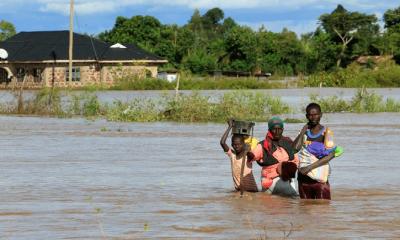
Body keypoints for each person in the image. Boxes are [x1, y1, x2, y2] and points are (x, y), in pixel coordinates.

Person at [293, 103, 342, 200]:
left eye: (316, 114)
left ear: (321, 115)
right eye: (310, 115)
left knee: (322, 210)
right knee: (305, 209)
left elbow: (330, 155)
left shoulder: (326, 133)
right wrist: (303, 131)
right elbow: (295, 149)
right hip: (303, 179)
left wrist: (309, 167)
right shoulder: (304, 132)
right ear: (307, 116)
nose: (313, 117)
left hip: (319, 180)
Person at [248, 116, 298, 197]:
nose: (277, 132)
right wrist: (248, 152)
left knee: (291, 203)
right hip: (269, 180)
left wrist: (287, 169)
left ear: (283, 129)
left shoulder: (288, 143)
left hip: (287, 179)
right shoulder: (263, 145)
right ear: (270, 130)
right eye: (274, 129)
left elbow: (296, 161)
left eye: (280, 129)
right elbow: (253, 156)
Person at [220, 119, 258, 192]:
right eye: (234, 144)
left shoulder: (247, 155)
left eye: (239, 144)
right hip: (239, 189)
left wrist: (248, 151)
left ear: (243, 144)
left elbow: (252, 156)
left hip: (250, 190)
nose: (237, 146)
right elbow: (222, 142)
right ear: (232, 145)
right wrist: (230, 127)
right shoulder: (232, 155)